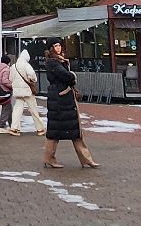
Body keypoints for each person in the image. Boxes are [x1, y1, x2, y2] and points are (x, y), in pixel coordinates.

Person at [42, 40, 99, 169]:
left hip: (65, 98)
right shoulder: (52, 62)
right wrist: (72, 76)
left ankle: (86, 159)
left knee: (75, 131)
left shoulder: (60, 61)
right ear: (51, 48)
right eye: (55, 45)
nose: (58, 47)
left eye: (59, 45)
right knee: (55, 131)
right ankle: (49, 158)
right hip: (60, 99)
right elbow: (66, 76)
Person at [1, 47, 45, 135]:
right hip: (27, 91)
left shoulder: (14, 66)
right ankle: (40, 128)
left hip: (18, 91)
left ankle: (14, 128)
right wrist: (33, 80)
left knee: (17, 109)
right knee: (33, 109)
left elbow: (10, 78)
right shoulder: (26, 65)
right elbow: (32, 75)